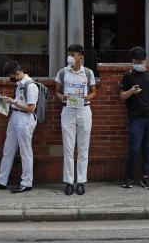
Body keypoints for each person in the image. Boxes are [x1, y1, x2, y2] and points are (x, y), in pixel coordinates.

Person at [0, 60, 38, 193]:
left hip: (25, 119)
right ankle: (1, 180)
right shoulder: (19, 85)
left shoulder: (30, 86)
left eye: (11, 76)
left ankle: (27, 182)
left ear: (17, 73)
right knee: (8, 150)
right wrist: (9, 102)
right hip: (15, 117)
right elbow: (19, 103)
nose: (10, 79)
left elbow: (31, 108)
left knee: (25, 152)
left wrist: (13, 101)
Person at [55, 44, 97, 196]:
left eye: (73, 54)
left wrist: (87, 97)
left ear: (81, 57)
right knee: (68, 147)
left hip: (84, 110)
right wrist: (62, 97)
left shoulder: (87, 72)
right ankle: (68, 181)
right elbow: (57, 92)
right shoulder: (62, 72)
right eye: (69, 54)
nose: (70, 57)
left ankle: (81, 181)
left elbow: (94, 92)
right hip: (68, 110)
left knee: (83, 148)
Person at [118, 46, 149, 190]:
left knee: (148, 148)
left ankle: (145, 177)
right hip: (135, 117)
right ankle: (129, 177)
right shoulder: (128, 75)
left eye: (140, 61)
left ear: (145, 60)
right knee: (134, 148)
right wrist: (131, 91)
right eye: (135, 61)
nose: (137, 63)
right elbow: (122, 97)